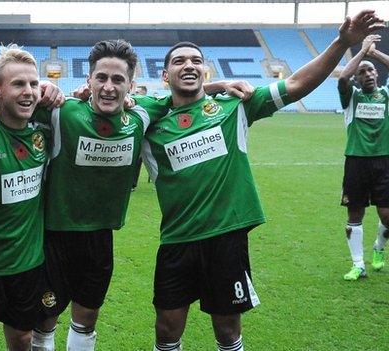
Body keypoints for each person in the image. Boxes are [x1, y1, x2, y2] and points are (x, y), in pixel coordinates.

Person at [138, 11, 383, 351]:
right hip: (177, 241)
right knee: (166, 331)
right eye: (179, 61)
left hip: (226, 240)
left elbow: (297, 84)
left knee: (227, 331)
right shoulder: (149, 121)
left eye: (196, 60)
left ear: (205, 70)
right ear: (165, 75)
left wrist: (342, 42)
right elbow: (110, 103)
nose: (189, 65)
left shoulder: (233, 107)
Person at [24, 40, 253, 351]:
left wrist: (219, 84)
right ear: (88, 80)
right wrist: (37, 89)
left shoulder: (141, 115)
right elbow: (14, 101)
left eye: (118, 80)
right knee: (44, 322)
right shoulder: (63, 112)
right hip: (53, 237)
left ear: (130, 86)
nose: (108, 87)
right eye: (101, 78)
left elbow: (183, 92)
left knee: (86, 319)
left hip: (101, 237)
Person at [0, 44, 57, 350]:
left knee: (22, 338)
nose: (29, 92)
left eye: (34, 84)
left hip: (28, 263)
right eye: (18, 84)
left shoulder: (44, 131)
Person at [338, 34, 389, 280]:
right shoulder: (352, 98)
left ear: (377, 74)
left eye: (370, 71)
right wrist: (361, 52)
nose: (367, 74)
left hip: (384, 161)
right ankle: (358, 264)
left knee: (387, 216)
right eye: (362, 73)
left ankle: (379, 246)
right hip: (356, 162)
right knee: (355, 214)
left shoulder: (387, 96)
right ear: (358, 79)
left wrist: (374, 54)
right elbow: (342, 78)